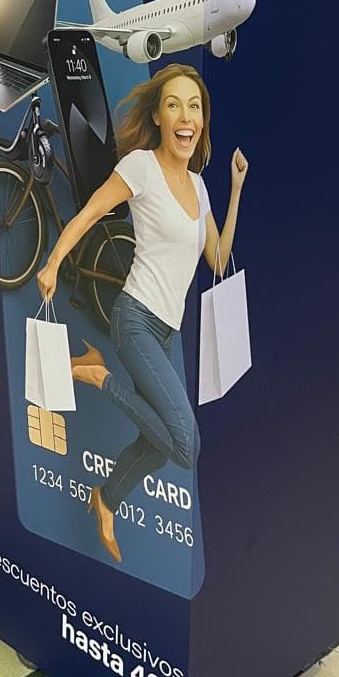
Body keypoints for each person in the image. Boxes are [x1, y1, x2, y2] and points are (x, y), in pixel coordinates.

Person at [37, 64, 248, 564]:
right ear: (157, 115)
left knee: (159, 441)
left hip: (167, 332)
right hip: (134, 320)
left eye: (194, 106)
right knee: (186, 445)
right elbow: (89, 213)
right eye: (173, 104)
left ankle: (106, 500)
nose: (185, 116)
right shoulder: (141, 167)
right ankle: (98, 375)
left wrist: (236, 189)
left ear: (202, 121)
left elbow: (216, 257)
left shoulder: (199, 184)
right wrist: (52, 261)